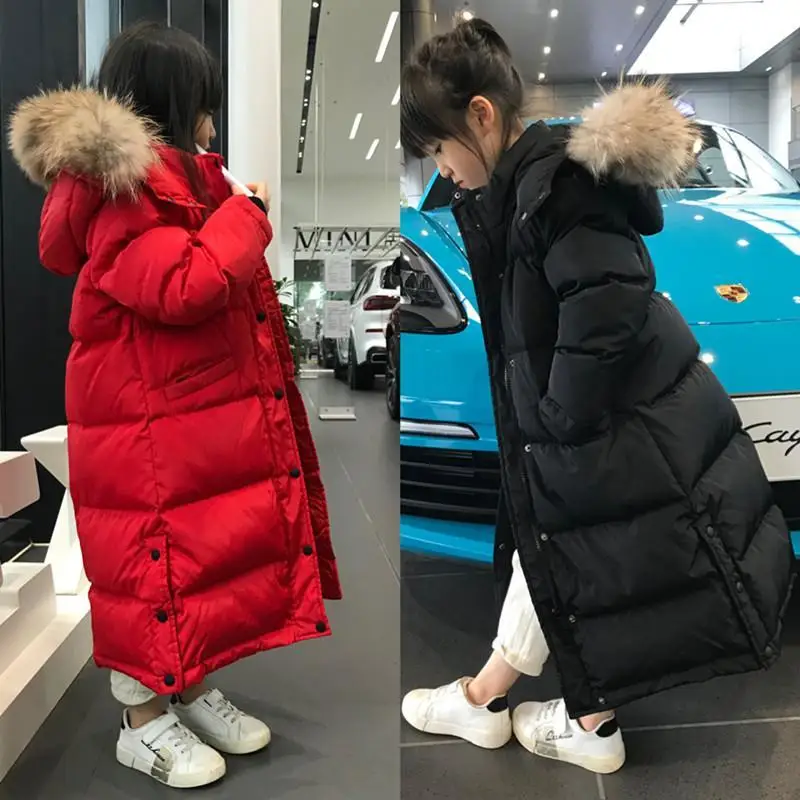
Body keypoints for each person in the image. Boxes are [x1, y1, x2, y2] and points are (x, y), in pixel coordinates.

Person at [399, 18, 794, 775]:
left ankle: (546, 713)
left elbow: (605, 302)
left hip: (605, 418)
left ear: (482, 116)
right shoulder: (535, 183)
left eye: (441, 148)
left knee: (567, 550)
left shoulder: (556, 186)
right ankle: (517, 704)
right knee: (562, 552)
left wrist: (558, 416)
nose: (443, 168)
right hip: (610, 414)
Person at [9, 22, 342, 790]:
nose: (212, 125)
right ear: (170, 101)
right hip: (142, 431)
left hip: (174, 420)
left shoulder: (166, 183)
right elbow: (183, 286)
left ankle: (186, 691)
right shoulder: (120, 191)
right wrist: (249, 216)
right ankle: (141, 724)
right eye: (203, 106)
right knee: (150, 569)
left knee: (189, 564)